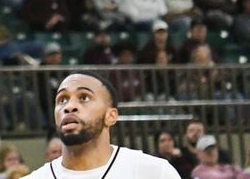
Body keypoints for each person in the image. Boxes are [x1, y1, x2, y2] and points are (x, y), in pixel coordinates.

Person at [22, 72, 178, 179]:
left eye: (84, 97)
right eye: (62, 99)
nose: (69, 106)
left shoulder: (154, 172)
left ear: (111, 116)